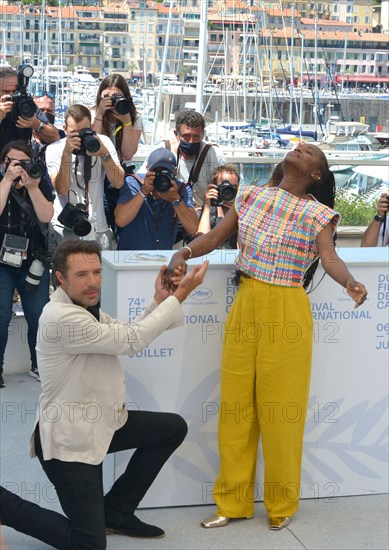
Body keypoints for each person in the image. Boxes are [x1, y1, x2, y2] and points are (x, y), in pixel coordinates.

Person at [163, 143, 367, 531]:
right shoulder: (253, 195)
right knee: (236, 408)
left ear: (317, 174)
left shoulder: (318, 213)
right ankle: (233, 502)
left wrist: (350, 282)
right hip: (247, 301)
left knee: (280, 411)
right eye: (298, 147)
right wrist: (184, 253)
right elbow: (217, 235)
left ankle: (281, 502)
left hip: (287, 307)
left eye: (309, 153)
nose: (299, 150)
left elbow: (329, 257)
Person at [0, 239, 208, 549]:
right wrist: (179, 296)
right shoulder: (61, 318)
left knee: (171, 428)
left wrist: (160, 300)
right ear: (60, 277)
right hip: (68, 443)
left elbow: (125, 332)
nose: (93, 281)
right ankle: (5, 506)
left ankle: (117, 512)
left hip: (101, 425)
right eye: (82, 274)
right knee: (89, 545)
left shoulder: (82, 309)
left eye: (97, 272)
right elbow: (132, 340)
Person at [0, 140, 54, 388]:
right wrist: (7, 180)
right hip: (2, 262)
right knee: (1, 317)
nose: (18, 167)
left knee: (39, 316)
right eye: (12, 162)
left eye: (23, 162)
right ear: (3, 162)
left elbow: (46, 215)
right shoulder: (2, 180)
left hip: (33, 260)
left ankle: (38, 365)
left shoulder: (39, 180)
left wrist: (32, 187)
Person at [45, 104, 124, 250]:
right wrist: (67, 154)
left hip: (98, 226)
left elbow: (118, 182)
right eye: (74, 133)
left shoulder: (103, 143)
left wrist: (103, 153)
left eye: (84, 131)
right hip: (65, 227)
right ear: (65, 129)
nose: (81, 138)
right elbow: (62, 189)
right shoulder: (54, 149)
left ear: (92, 127)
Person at [115, 147, 198, 250]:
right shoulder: (134, 182)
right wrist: (143, 192)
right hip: (131, 257)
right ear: (147, 169)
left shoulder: (181, 189)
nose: (161, 177)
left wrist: (175, 199)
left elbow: (193, 228)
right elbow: (120, 220)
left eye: (165, 172)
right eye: (156, 172)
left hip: (162, 258)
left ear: (174, 172)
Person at [141, 110, 226, 208]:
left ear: (203, 135)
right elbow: (141, 179)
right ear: (176, 134)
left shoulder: (214, 155)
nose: (191, 141)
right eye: (186, 136)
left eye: (196, 137)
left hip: (202, 213)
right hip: (168, 212)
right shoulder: (162, 152)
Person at [92, 74, 143, 232]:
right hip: (99, 175)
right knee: (102, 223)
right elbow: (93, 148)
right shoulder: (93, 114)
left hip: (122, 175)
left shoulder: (134, 118)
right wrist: (100, 114)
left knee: (124, 227)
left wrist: (127, 122)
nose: (111, 101)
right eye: (106, 96)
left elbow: (128, 154)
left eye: (116, 96)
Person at [0, 66, 59, 151]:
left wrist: (36, 124)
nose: (12, 95)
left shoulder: (25, 105)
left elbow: (55, 137)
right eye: (6, 91)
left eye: (15, 91)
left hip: (22, 161)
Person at [196, 163, 240, 248]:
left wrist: (238, 209)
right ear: (214, 187)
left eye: (232, 187)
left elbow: (241, 247)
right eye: (223, 187)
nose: (228, 192)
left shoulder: (243, 212)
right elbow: (202, 244)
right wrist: (207, 205)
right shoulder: (207, 213)